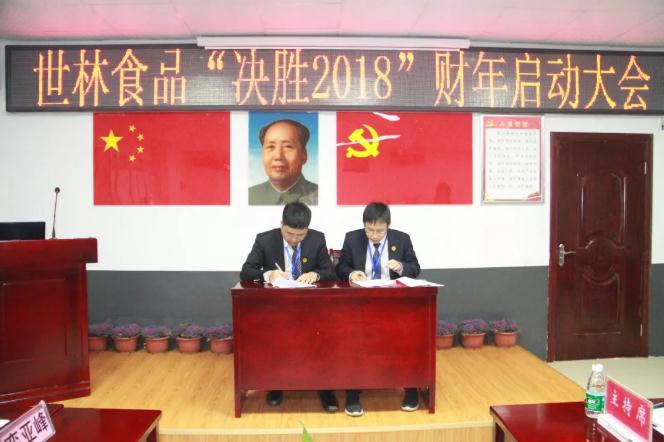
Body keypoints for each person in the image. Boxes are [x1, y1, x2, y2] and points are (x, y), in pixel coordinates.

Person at [239, 202, 338, 412]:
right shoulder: (265, 240)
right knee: (277, 340)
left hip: (312, 307)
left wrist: (316, 274)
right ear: (281, 225)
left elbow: (330, 271)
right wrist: (268, 274)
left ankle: (324, 387)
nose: (294, 239)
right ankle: (277, 384)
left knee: (324, 340)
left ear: (307, 229)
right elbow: (246, 271)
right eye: (289, 233)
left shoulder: (317, 239)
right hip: (278, 308)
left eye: (300, 235)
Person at [336, 202, 421, 417]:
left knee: (407, 340)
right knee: (353, 343)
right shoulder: (352, 238)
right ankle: (353, 392)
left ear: (388, 226)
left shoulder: (402, 239)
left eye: (379, 231)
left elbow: (415, 268)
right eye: (369, 230)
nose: (374, 235)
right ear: (364, 225)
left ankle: (411, 388)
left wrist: (401, 267)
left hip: (394, 304)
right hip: (360, 304)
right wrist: (352, 273)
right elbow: (340, 267)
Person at [248, 119, 318, 205]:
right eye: (271, 147)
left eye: (288, 146)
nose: (278, 156)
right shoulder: (249, 196)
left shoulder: (322, 196)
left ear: (304, 155)